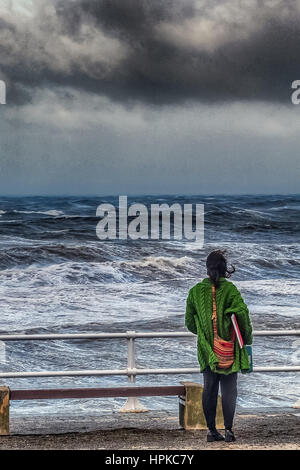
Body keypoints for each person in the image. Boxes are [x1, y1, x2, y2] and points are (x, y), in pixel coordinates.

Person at [185, 250, 253, 442]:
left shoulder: (195, 291)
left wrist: (205, 332)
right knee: (229, 389)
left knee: (209, 388)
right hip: (229, 348)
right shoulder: (231, 290)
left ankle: (211, 431)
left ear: (207, 269)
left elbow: (189, 322)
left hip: (207, 349)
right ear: (225, 269)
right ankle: (229, 430)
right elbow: (242, 313)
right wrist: (245, 339)